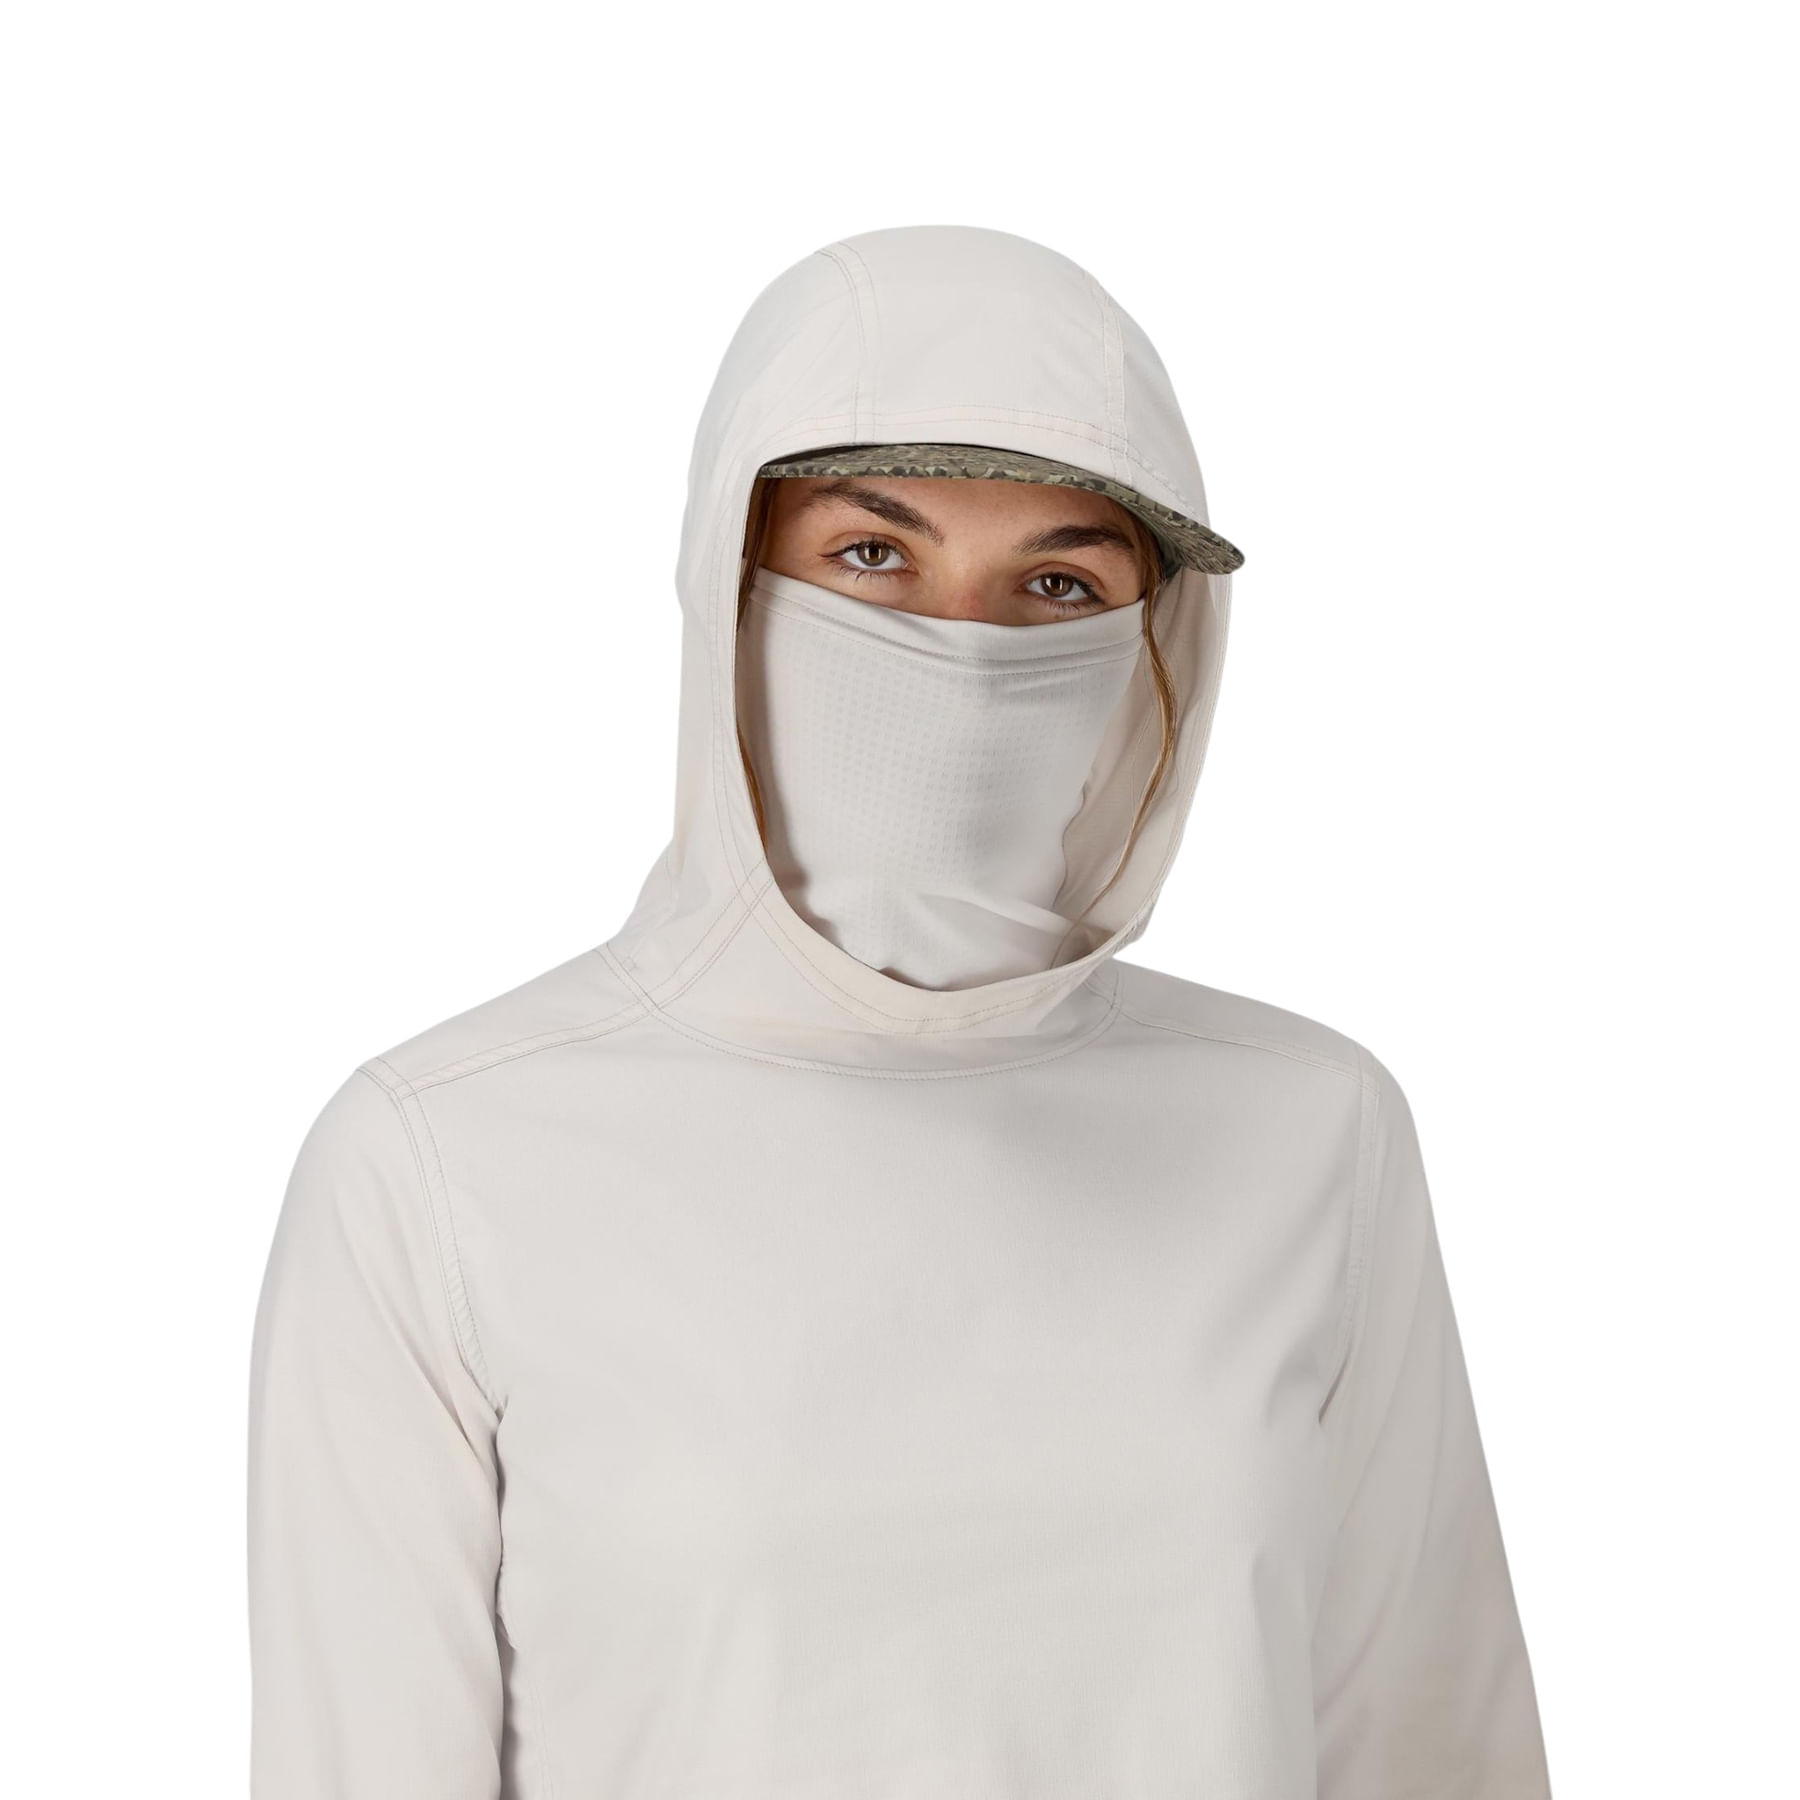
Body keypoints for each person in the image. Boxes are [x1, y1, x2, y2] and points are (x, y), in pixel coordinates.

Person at [247, 224, 1553, 1798]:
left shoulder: (1308, 1134)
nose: (967, 651)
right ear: (729, 585)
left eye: (1058, 583)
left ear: (1155, 647)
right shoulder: (443, 1161)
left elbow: (1435, 1752)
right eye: (873, 556)